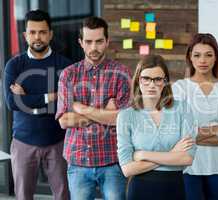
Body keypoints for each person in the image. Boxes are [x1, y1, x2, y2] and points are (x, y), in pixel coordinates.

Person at [56, 16, 131, 200]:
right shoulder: (68, 75)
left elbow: (122, 119)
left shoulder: (122, 74)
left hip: (112, 161)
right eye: (88, 42)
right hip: (78, 160)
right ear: (80, 42)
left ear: (107, 41)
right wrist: (105, 111)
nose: (93, 47)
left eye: (99, 41)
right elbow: (65, 121)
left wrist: (80, 108)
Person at [4, 9, 71, 200]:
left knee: (63, 195)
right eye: (32, 32)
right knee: (23, 196)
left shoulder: (64, 66)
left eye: (42, 32)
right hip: (24, 142)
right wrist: (49, 97)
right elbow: (11, 103)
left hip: (58, 141)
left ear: (50, 34)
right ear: (25, 35)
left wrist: (27, 99)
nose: (37, 37)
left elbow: (67, 102)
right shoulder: (14, 66)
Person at [117, 54, 196, 200]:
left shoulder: (183, 108)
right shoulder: (126, 116)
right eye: (146, 78)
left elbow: (187, 158)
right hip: (140, 190)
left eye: (158, 79)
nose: (151, 85)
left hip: (174, 189)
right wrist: (172, 152)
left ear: (165, 82)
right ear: (138, 81)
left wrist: (143, 155)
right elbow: (127, 169)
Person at [172, 33, 218, 200]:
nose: (203, 60)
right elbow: (179, 133)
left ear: (216, 58)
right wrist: (216, 129)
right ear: (190, 58)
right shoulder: (180, 88)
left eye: (208, 55)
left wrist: (193, 135)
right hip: (188, 166)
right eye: (197, 55)